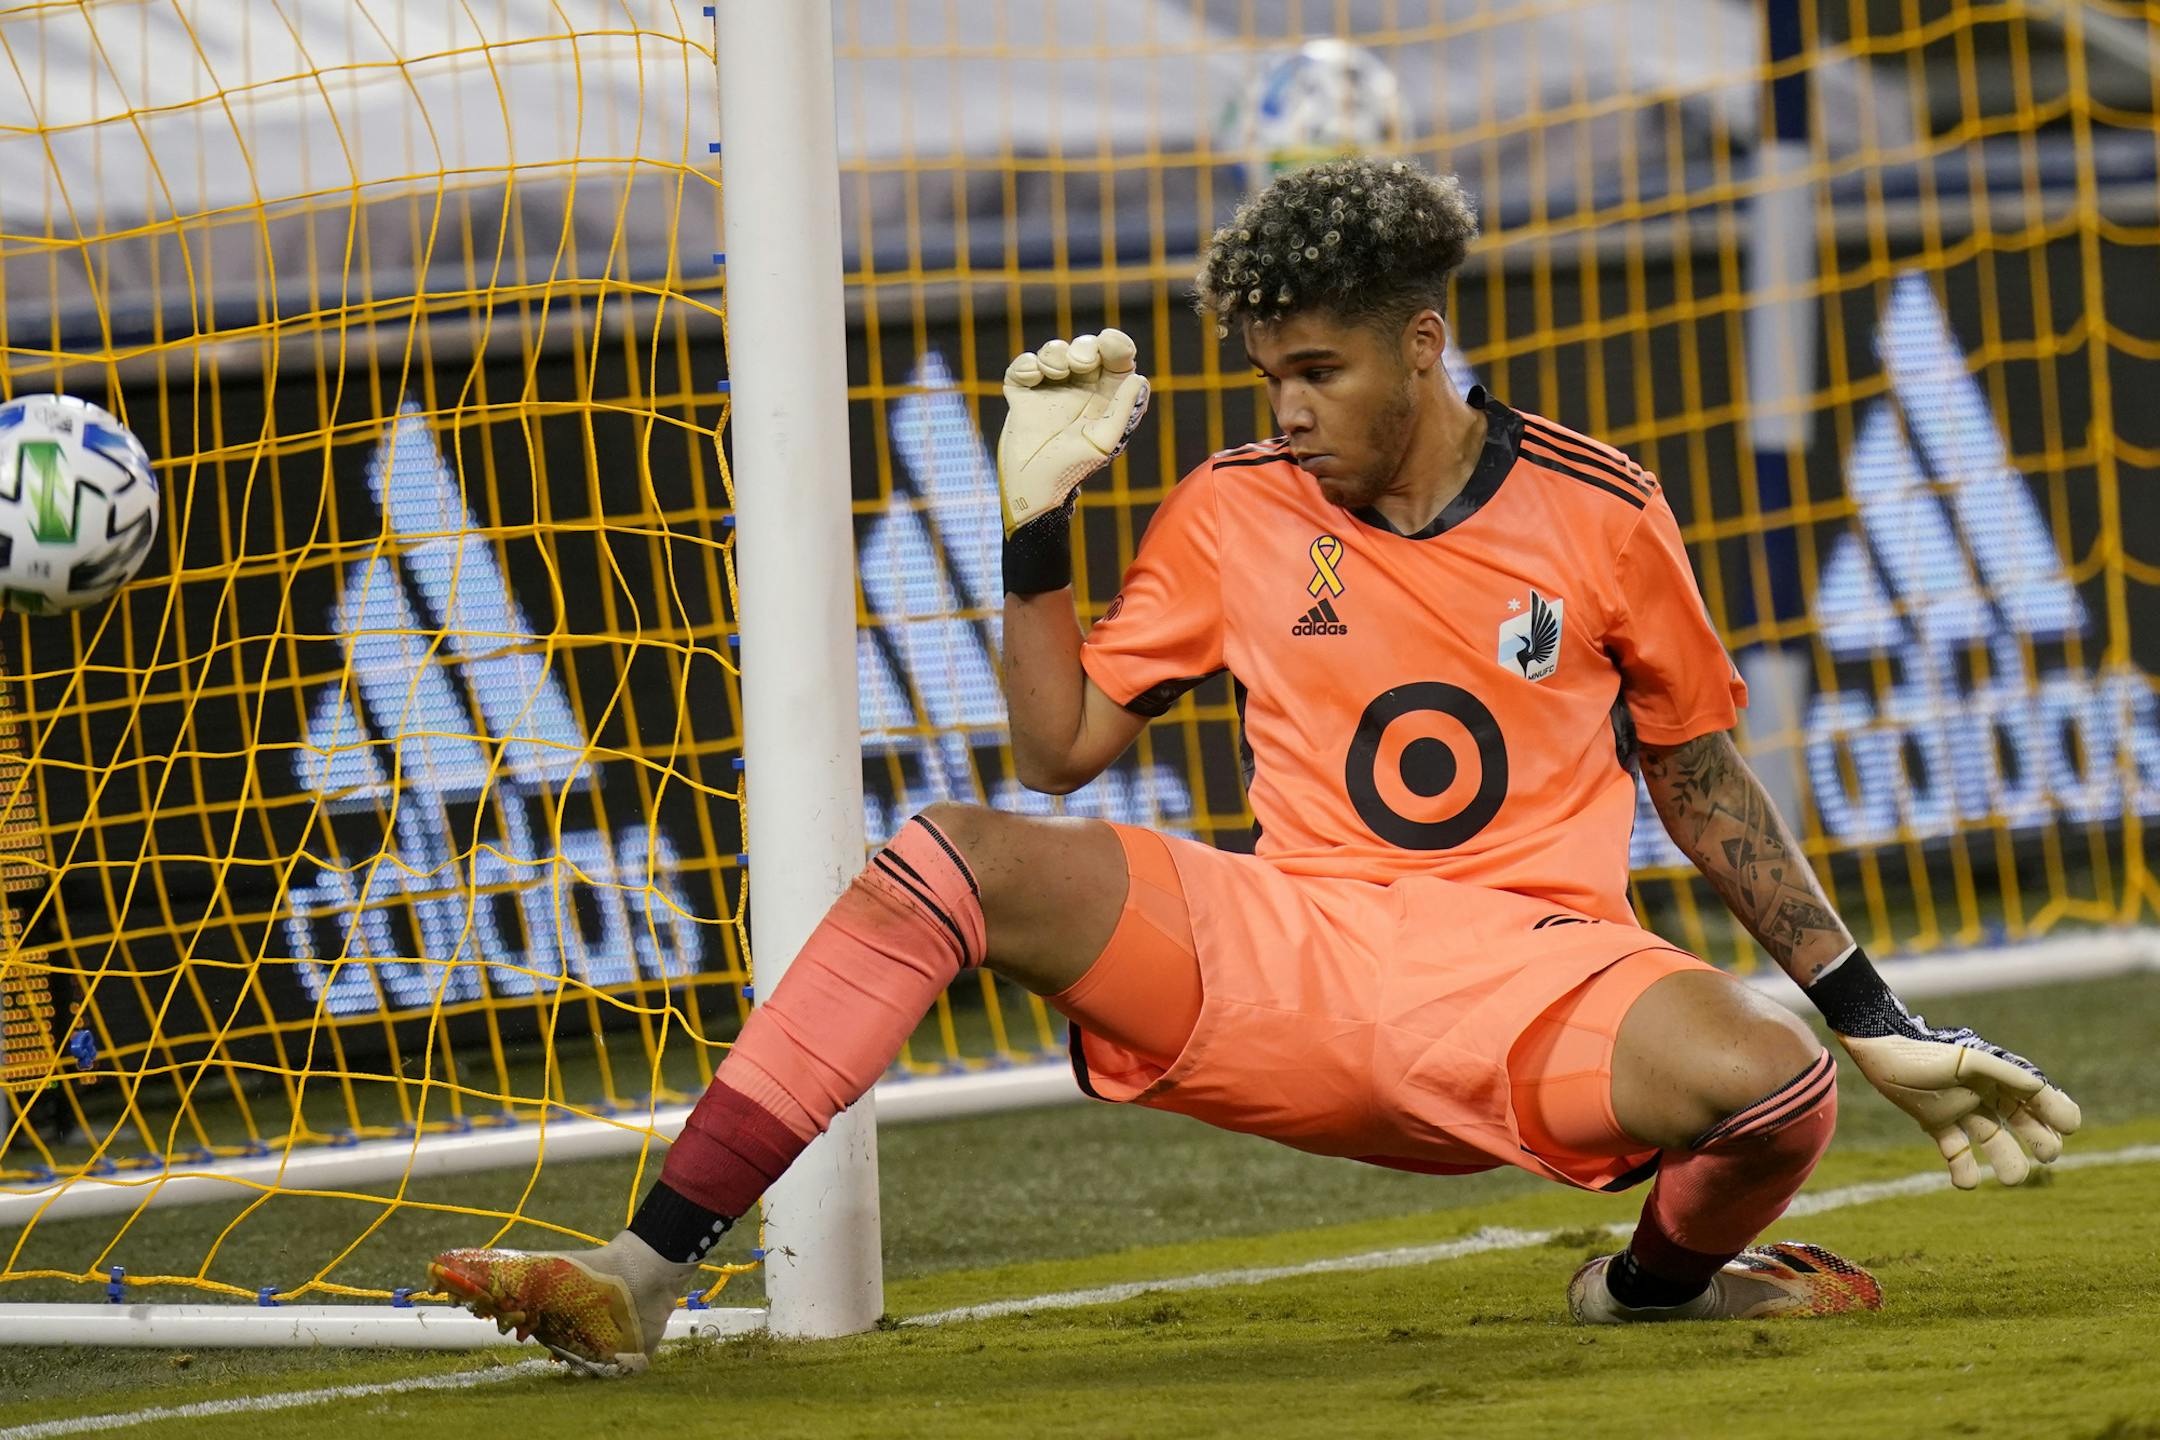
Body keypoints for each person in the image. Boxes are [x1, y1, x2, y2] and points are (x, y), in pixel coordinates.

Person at [429, 156, 2080, 1374]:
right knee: (953, 852)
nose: (1282, 409)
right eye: (1265, 373)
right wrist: (1032, 525)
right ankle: (641, 1274)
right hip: (1288, 954)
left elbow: (1704, 788)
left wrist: (1880, 1017)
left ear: (1424, 345)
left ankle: (1649, 1288)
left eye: (1318, 372)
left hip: (1531, 977)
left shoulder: (1600, 507)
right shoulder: (1232, 505)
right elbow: (1060, 751)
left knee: (1774, 1081)